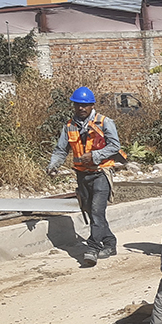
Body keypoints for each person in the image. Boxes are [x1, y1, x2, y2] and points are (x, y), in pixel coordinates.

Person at [48, 87, 122, 267]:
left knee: (97, 211)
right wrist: (53, 165)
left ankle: (93, 248)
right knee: (90, 211)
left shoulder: (104, 122)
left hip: (101, 173)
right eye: (78, 105)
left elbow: (115, 146)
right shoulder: (69, 126)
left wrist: (95, 156)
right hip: (82, 175)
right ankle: (110, 243)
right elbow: (61, 150)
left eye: (85, 105)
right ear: (74, 105)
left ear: (92, 105)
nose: (81, 108)